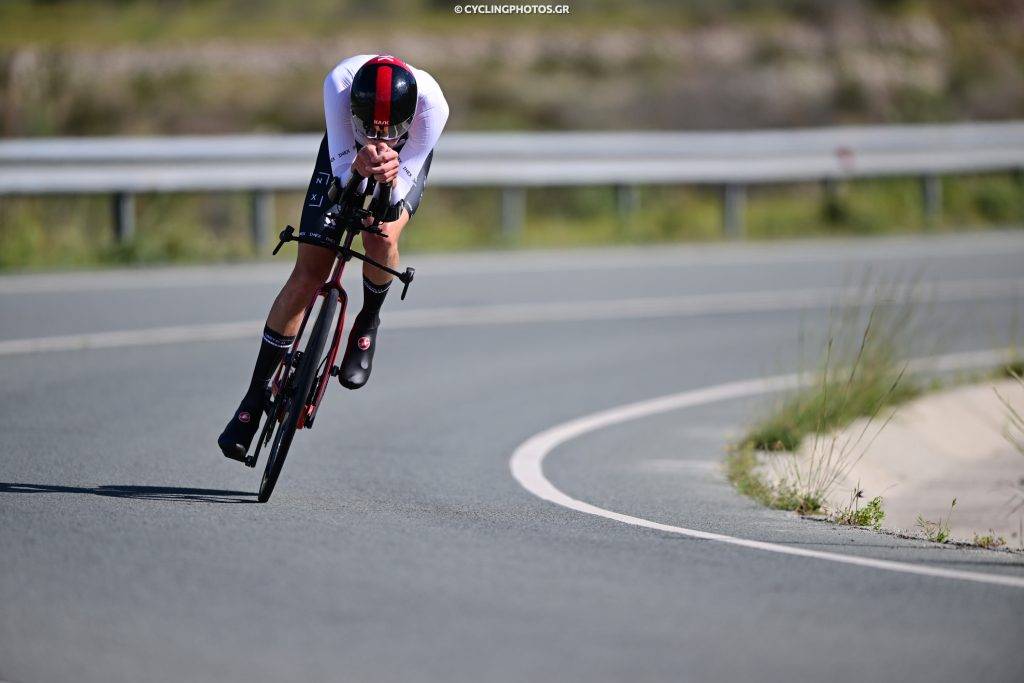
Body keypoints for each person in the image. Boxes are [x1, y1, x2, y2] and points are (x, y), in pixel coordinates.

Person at [218, 54, 449, 461]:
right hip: (344, 153)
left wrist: (388, 180)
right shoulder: (339, 85)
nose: (380, 136)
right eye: (369, 126)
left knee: (379, 236)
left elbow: (394, 203)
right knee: (308, 274)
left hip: (402, 166)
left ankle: (368, 320)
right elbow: (341, 173)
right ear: (353, 111)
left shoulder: (432, 105)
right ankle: (253, 399)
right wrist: (358, 166)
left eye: (391, 129)